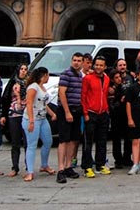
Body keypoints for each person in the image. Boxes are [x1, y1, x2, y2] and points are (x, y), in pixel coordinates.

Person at [22, 67, 57, 182]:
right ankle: (30, 171)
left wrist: (52, 114)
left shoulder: (42, 87)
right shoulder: (33, 87)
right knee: (32, 144)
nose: (48, 78)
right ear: (44, 75)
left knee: (48, 142)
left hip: (42, 118)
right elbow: (29, 104)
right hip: (33, 119)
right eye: (47, 75)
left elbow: (44, 103)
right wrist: (31, 121)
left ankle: (44, 164)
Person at [56, 52, 84, 183]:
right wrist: (67, 112)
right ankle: (61, 169)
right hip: (66, 110)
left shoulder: (79, 75)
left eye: (79, 60)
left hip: (77, 110)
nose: (76, 62)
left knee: (73, 140)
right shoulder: (66, 73)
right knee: (63, 140)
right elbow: (62, 93)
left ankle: (68, 166)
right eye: (74, 60)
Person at [81, 56, 111, 178]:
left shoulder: (107, 78)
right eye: (96, 65)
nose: (98, 67)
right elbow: (83, 97)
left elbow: (105, 95)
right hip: (91, 112)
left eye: (101, 65)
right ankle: (87, 166)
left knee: (102, 140)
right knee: (88, 141)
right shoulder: (88, 78)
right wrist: (85, 113)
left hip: (103, 113)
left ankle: (100, 164)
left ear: (105, 67)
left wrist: (107, 110)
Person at [1, 63, 28, 177]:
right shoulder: (12, 83)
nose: (23, 71)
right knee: (15, 142)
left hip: (26, 114)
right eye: (21, 69)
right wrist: (3, 115)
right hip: (14, 114)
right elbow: (5, 99)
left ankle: (28, 166)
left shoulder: (29, 83)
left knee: (27, 142)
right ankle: (15, 167)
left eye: (25, 69)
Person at [108, 70, 131, 168]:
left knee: (127, 137)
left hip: (125, 115)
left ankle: (127, 157)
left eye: (119, 77)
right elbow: (112, 104)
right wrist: (119, 101)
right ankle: (118, 159)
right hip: (115, 116)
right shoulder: (110, 89)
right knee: (116, 138)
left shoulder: (124, 87)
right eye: (116, 78)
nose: (119, 79)